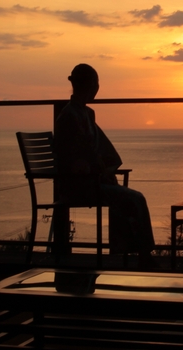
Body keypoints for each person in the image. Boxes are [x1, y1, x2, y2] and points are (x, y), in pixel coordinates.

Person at [54, 64, 157, 267]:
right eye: (96, 83)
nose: (97, 88)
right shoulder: (71, 116)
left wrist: (104, 170)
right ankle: (140, 255)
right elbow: (76, 158)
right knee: (133, 198)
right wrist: (100, 172)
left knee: (127, 197)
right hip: (79, 186)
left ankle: (130, 253)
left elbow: (100, 151)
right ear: (89, 85)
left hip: (90, 181)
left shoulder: (85, 114)